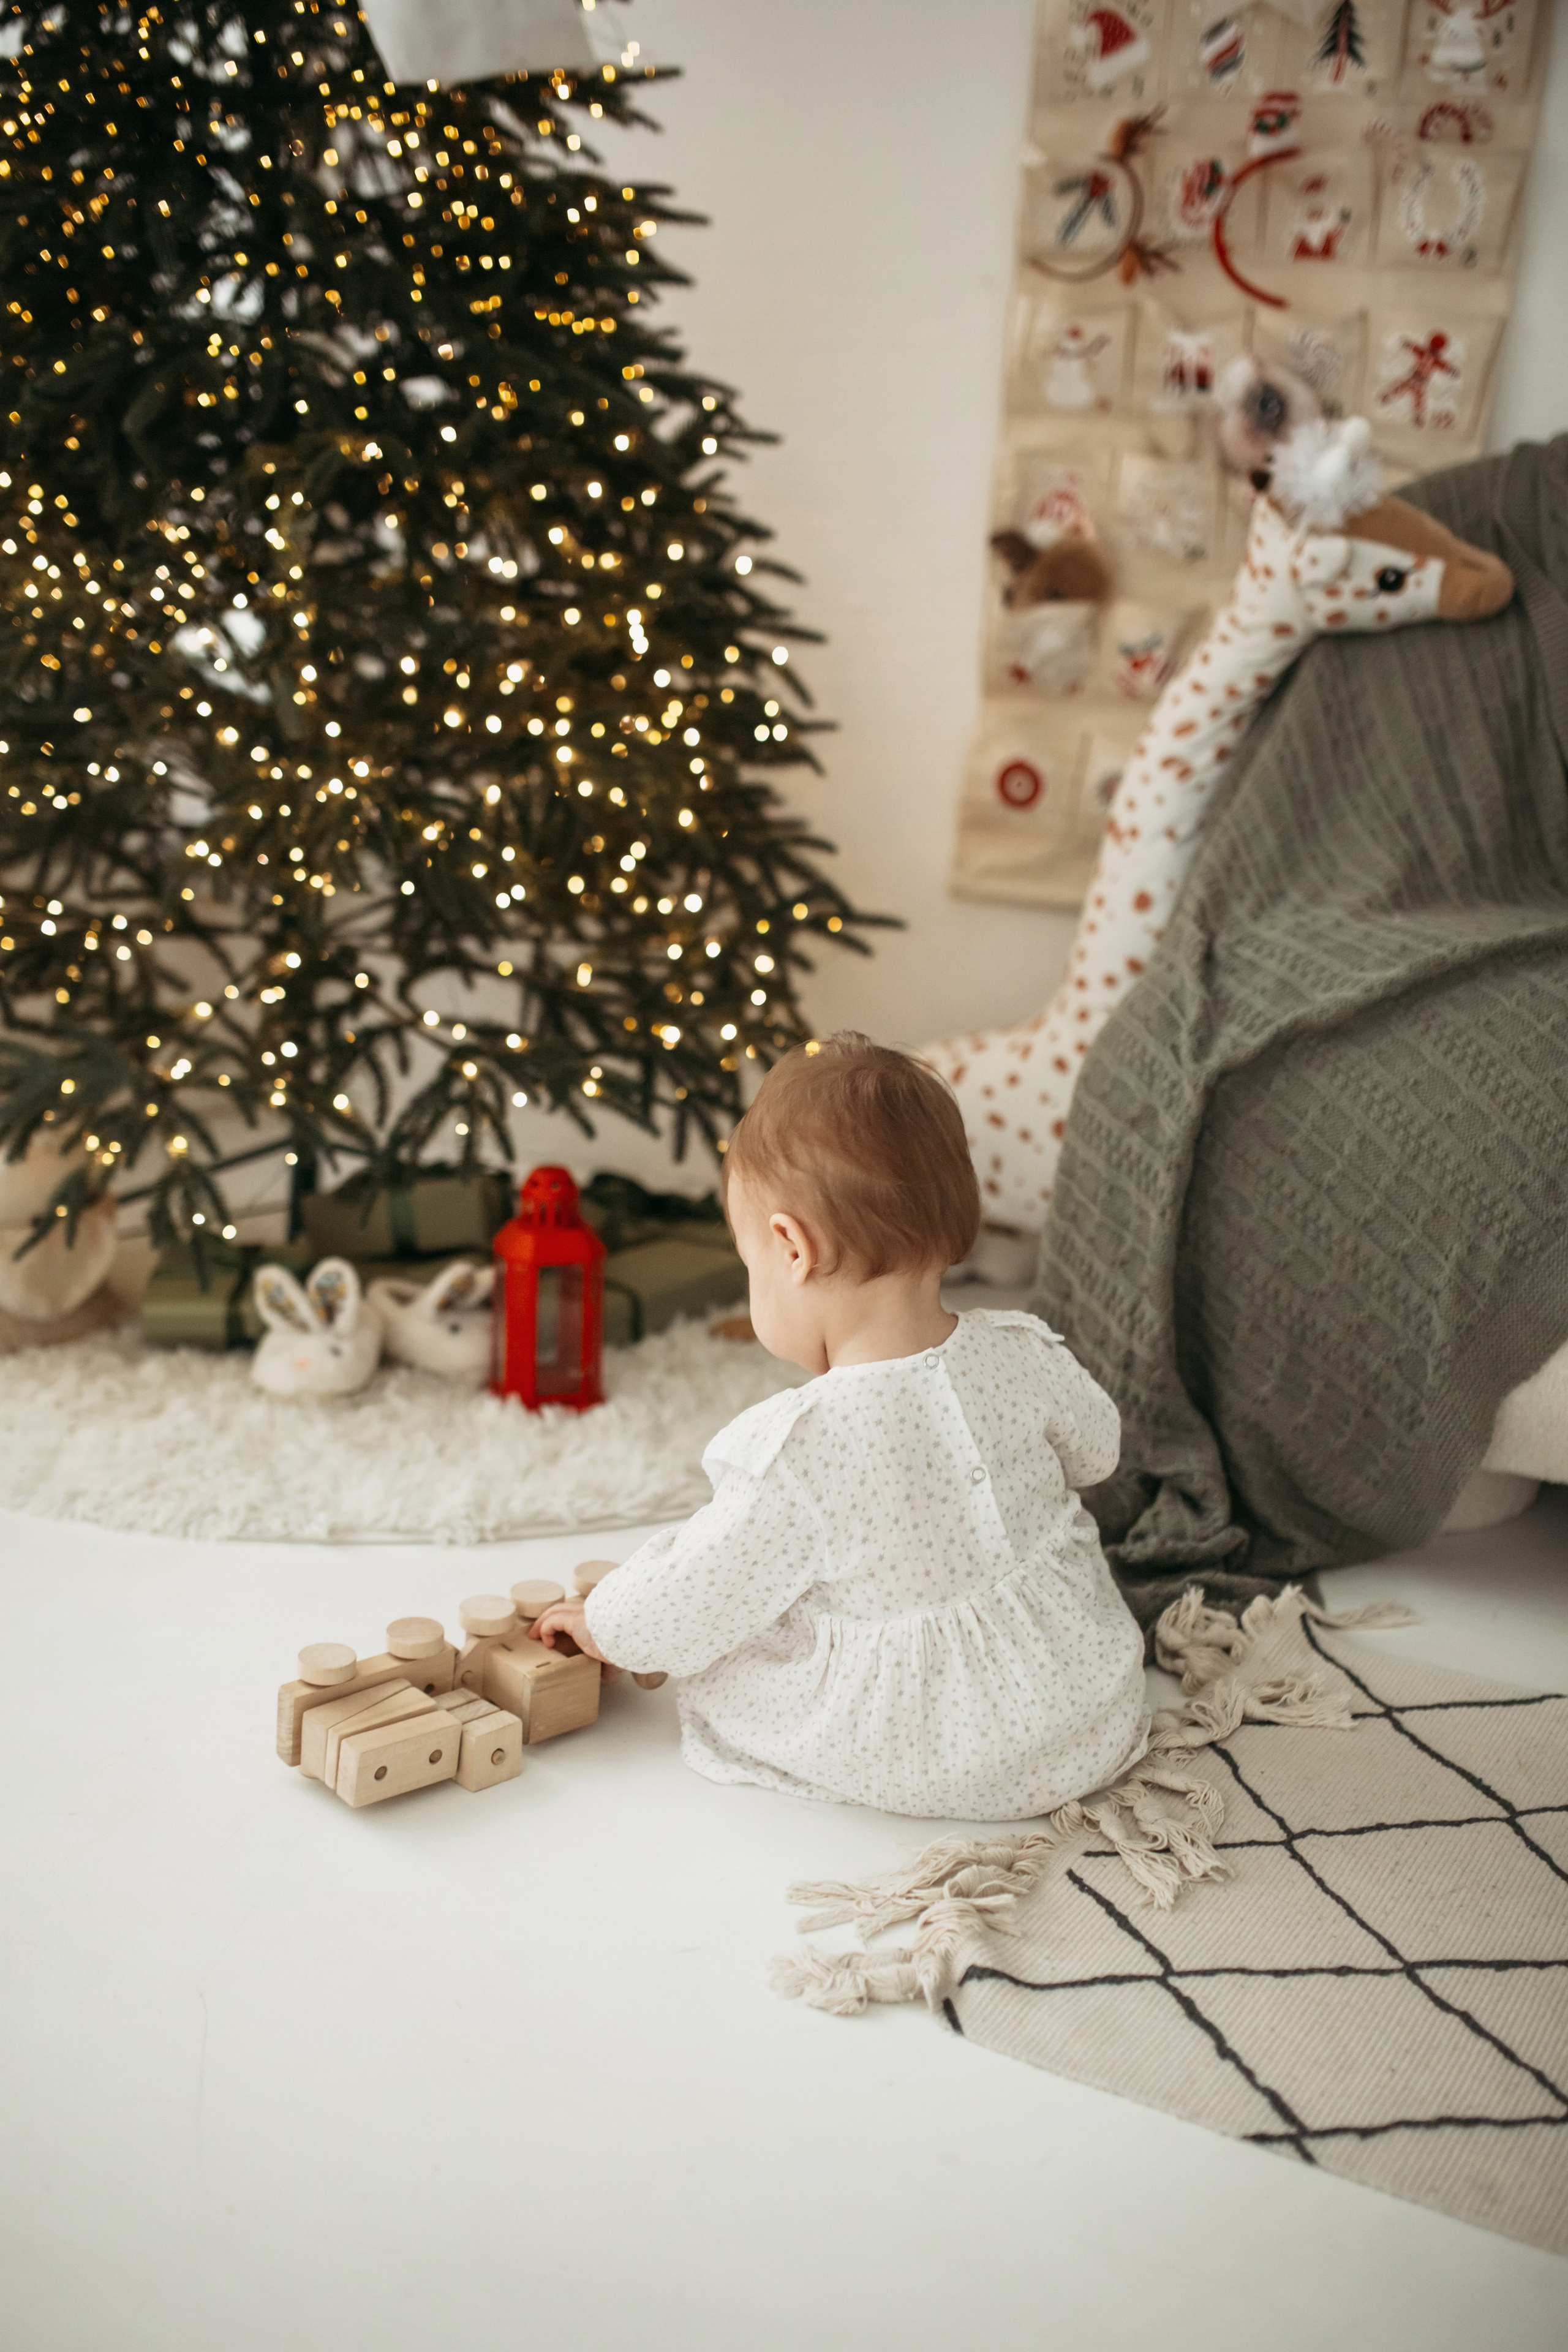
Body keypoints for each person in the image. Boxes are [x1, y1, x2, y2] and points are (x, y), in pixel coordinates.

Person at [529, 1033, 1148, 1820]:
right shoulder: (1023, 1352)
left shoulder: (802, 1449)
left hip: (953, 1758)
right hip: (1089, 1705)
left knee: (733, 1648)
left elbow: (694, 1596)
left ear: (789, 1248)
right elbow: (1100, 1451)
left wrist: (608, 1622)